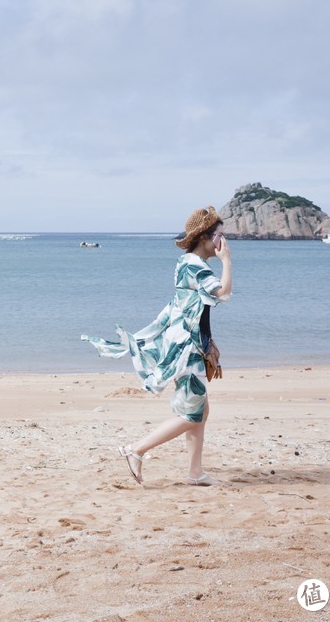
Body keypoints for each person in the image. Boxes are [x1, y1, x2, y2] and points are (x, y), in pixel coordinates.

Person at [81, 205, 232, 486]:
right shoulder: (194, 265)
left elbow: (195, 309)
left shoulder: (188, 263)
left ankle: (195, 472)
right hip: (186, 349)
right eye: (220, 236)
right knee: (192, 414)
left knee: (200, 410)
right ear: (204, 237)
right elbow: (223, 293)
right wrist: (227, 261)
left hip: (189, 344)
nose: (223, 242)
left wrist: (209, 341)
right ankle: (135, 449)